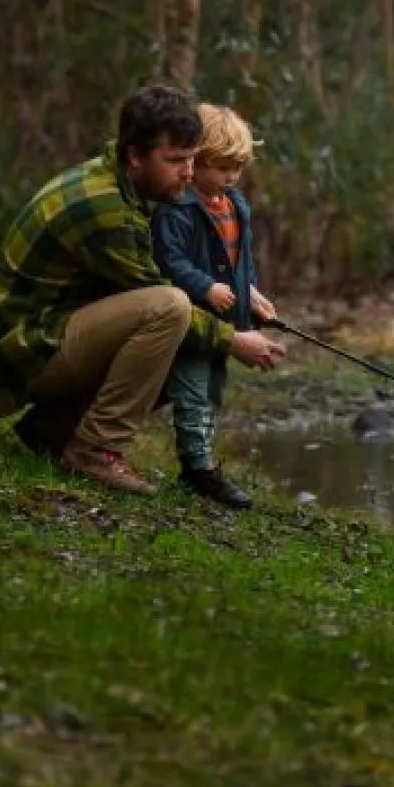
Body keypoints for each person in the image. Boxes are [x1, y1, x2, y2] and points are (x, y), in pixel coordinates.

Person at [0, 86, 285, 496]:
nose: (188, 173)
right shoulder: (107, 209)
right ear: (135, 155)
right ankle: (95, 450)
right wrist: (233, 340)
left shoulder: (127, 183)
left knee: (176, 323)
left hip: (51, 335)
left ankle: (54, 428)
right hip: (21, 354)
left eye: (192, 159)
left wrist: (243, 292)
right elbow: (161, 300)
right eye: (175, 161)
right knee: (170, 310)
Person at [152, 104, 276, 510]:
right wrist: (204, 286)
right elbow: (170, 260)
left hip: (226, 323)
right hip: (192, 321)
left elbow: (243, 257)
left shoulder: (236, 204)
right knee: (191, 393)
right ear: (196, 161)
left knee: (212, 392)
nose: (231, 177)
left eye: (237, 167)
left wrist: (251, 291)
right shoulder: (179, 209)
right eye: (222, 167)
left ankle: (200, 461)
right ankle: (198, 469)